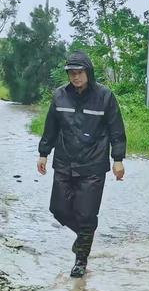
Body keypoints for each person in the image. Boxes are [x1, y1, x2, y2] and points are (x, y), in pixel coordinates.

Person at [37, 50, 126, 278]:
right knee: (57, 208)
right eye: (71, 73)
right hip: (65, 162)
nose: (75, 77)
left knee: (86, 215)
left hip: (94, 165)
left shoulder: (105, 97)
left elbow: (117, 130)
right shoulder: (59, 96)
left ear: (88, 72)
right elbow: (51, 127)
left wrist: (118, 159)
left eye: (79, 72)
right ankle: (86, 236)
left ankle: (81, 260)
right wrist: (43, 153)